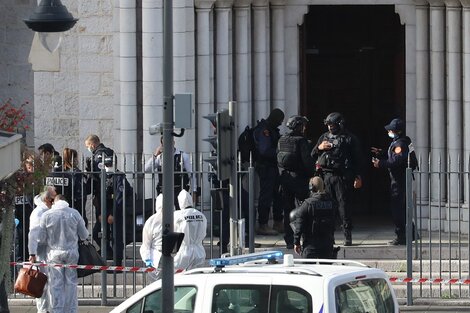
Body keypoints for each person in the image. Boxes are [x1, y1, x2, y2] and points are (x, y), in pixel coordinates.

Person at [311, 112, 363, 246]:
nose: (330, 128)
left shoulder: (349, 138)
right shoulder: (324, 137)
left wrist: (358, 176)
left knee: (344, 206)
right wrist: (320, 147)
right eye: (328, 125)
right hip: (326, 176)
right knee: (328, 206)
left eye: (332, 125)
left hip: (342, 176)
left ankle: (347, 235)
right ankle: (329, 236)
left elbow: (357, 159)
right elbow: (312, 154)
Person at [33, 194, 88, 313]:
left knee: (55, 284)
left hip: (53, 254)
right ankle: (71, 310)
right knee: (71, 284)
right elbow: (84, 235)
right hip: (72, 253)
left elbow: (41, 239)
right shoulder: (74, 213)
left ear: (54, 203)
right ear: (66, 202)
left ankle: (57, 309)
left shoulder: (46, 215)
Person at [372, 118, 415, 245]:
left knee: (398, 209)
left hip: (399, 180)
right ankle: (412, 233)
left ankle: (401, 235)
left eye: (391, 130)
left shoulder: (400, 144)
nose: (389, 132)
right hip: (400, 179)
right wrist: (381, 153)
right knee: (403, 207)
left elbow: (396, 161)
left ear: (397, 131)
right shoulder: (400, 142)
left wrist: (380, 163)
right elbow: (394, 156)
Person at [277, 116, 316, 249]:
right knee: (302, 209)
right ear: (298, 126)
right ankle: (303, 237)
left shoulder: (282, 139)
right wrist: (314, 174)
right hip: (299, 179)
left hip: (285, 178)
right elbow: (307, 162)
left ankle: (289, 239)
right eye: (303, 125)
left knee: (287, 210)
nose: (304, 128)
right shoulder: (301, 141)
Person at [92, 157, 133, 265]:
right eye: (106, 165)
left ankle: (117, 262)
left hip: (116, 210)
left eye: (109, 165)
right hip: (104, 210)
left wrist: (112, 214)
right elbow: (100, 195)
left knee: (116, 237)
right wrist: (100, 213)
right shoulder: (103, 175)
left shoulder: (119, 176)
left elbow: (119, 197)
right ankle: (108, 253)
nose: (108, 167)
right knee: (97, 233)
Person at [252, 108, 284, 235]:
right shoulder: (264, 130)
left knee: (278, 194)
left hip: (272, 166)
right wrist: (279, 153)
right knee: (266, 195)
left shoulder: (271, 129)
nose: (281, 123)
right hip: (265, 166)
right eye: (280, 120)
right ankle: (263, 224)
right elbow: (264, 151)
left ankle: (278, 222)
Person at [290, 176, 337, 259]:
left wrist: (296, 243)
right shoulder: (332, 203)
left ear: (311, 187)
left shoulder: (307, 204)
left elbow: (299, 226)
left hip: (311, 246)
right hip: (327, 245)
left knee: (309, 270)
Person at [144, 136, 196, 209]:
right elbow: (145, 169)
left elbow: (191, 174)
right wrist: (155, 155)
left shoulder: (183, 156)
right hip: (164, 191)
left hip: (179, 190)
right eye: (164, 144)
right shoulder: (160, 157)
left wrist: (194, 191)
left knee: (179, 212)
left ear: (173, 143)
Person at [28, 186, 57, 313]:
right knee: (42, 283)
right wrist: (32, 253)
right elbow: (33, 234)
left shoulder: (47, 211)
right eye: (52, 200)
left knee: (50, 283)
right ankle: (43, 310)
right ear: (46, 199)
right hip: (41, 252)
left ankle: (48, 309)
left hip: (49, 251)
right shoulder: (39, 212)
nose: (54, 203)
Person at [46, 148, 88, 227]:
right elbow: (81, 192)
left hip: (56, 208)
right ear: (74, 159)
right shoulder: (75, 173)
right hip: (72, 207)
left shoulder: (56, 172)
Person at [174, 190, 207, 271]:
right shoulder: (201, 215)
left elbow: (173, 232)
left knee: (180, 279)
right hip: (199, 252)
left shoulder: (177, 215)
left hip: (183, 252)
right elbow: (204, 232)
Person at [140, 194, 167, 282]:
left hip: (168, 255)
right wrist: (148, 259)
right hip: (158, 257)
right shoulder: (152, 221)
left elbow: (146, 243)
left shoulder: (151, 221)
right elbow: (146, 243)